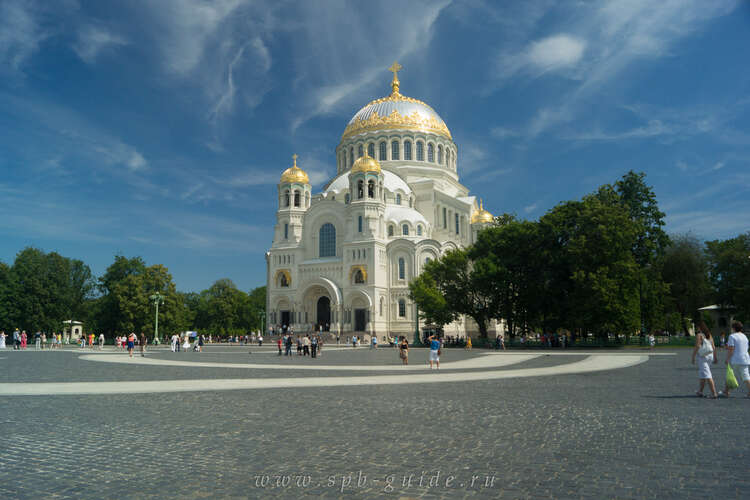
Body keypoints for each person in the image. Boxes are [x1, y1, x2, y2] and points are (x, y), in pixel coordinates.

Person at [719, 321, 750, 398]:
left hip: (736, 359)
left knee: (729, 375)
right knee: (746, 376)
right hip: (745, 358)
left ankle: (726, 392)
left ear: (733, 328)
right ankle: (726, 391)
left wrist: (727, 359)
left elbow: (731, 349)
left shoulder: (732, 336)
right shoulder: (744, 336)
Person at [692, 322, 718, 398]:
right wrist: (715, 357)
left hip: (703, 356)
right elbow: (713, 347)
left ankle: (714, 393)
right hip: (710, 355)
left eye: (697, 327)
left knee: (707, 374)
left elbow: (697, 346)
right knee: (703, 374)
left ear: (700, 328)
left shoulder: (699, 335)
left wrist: (693, 356)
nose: (697, 329)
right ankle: (700, 391)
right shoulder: (709, 335)